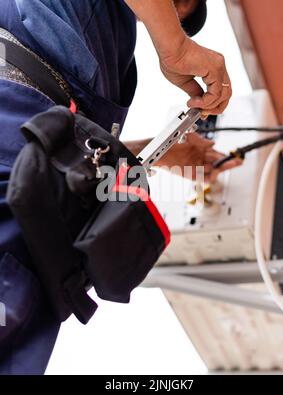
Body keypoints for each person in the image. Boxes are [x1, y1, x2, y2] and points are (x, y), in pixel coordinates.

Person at [0, 0, 241, 375]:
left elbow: (66, 148)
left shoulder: (114, 49)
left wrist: (162, 152)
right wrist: (176, 48)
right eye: (180, 4)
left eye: (181, 18)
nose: (174, 15)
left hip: (40, 237)